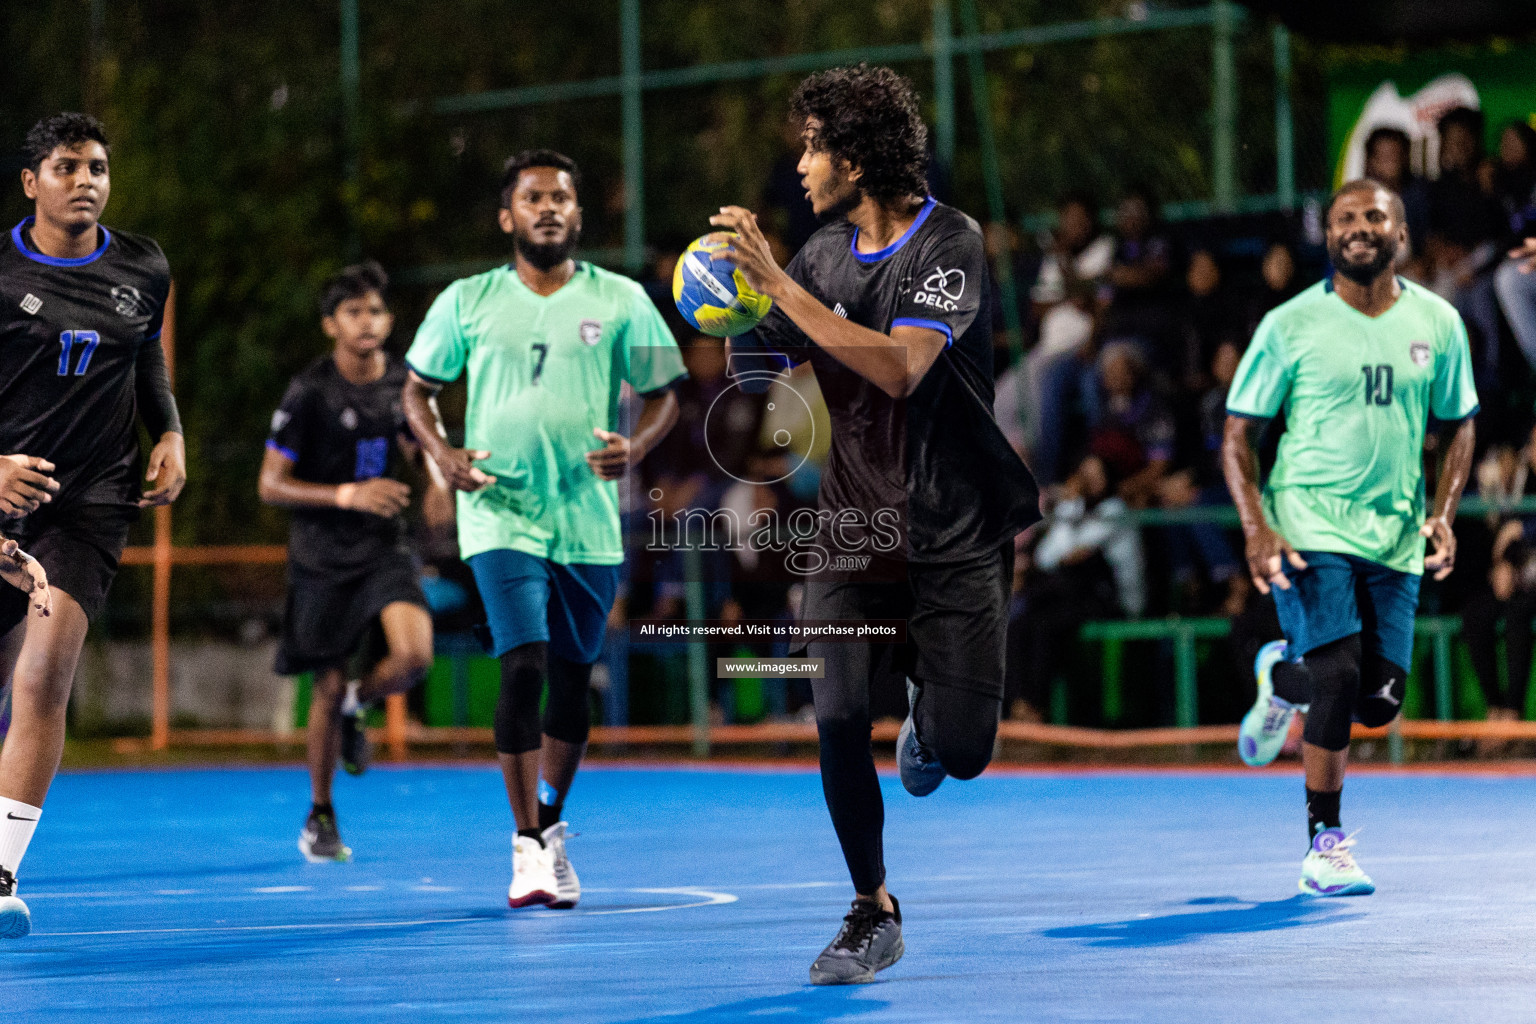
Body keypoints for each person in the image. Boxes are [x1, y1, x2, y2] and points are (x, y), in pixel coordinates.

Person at [710, 64, 1040, 984]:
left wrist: (780, 284)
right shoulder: (816, 256)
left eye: (813, 145)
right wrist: (733, 301)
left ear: (855, 159)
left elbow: (900, 369)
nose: (803, 165)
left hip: (956, 527)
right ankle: (871, 906)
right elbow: (762, 367)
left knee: (965, 755)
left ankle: (932, 728)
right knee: (841, 713)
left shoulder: (951, 243)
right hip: (852, 528)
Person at [402, 150, 684, 911]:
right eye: (534, 197)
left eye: (562, 196)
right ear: (508, 216)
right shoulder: (467, 301)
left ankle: (553, 825)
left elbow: (665, 393)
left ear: (579, 215)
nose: (549, 207)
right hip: (499, 510)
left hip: (587, 520)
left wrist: (640, 445)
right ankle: (525, 844)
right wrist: (442, 454)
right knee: (521, 660)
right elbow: (417, 391)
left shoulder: (622, 299)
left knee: (569, 678)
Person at [1224, 178, 1478, 897]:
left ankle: (1280, 680)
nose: (1358, 227)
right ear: (1327, 235)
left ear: (1401, 235)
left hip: (1396, 535)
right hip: (1309, 522)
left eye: (1374, 216)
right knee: (1336, 674)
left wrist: (1445, 511)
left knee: (1376, 703)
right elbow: (1240, 431)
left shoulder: (1440, 322)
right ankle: (1324, 843)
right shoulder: (1290, 324)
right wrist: (1258, 524)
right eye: (1345, 218)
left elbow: (1459, 422)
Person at [0, 113, 187, 939]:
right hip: (4, 500)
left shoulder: (143, 265)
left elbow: (144, 356)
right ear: (30, 181)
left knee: (41, 681)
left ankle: (1, 871)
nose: (87, 179)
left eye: (100, 166)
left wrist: (171, 431)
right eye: (68, 165)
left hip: (92, 503)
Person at [258, 261, 436, 863]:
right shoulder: (309, 391)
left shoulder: (403, 382)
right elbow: (270, 484)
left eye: (377, 311)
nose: (369, 322)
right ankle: (320, 814)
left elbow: (417, 446)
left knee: (414, 656)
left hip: (383, 545)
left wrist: (441, 474)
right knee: (325, 686)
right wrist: (344, 494)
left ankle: (364, 700)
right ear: (332, 324)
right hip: (321, 554)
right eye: (355, 311)